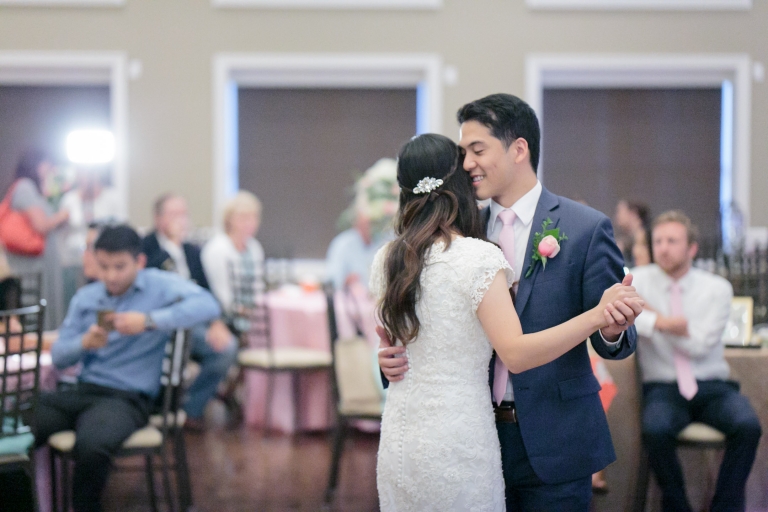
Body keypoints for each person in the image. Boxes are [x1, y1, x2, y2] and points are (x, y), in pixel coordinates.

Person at [378, 94, 641, 511]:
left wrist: (610, 327)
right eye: (463, 153)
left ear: (519, 149)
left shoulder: (585, 228)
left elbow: (619, 340)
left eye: (477, 150)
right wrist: (389, 360)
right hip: (473, 439)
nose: (466, 165)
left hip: (555, 440)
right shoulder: (459, 234)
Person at [32, 224, 221, 512]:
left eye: (119, 267)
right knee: (17, 426)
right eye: (104, 266)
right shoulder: (87, 297)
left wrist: (149, 320)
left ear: (139, 262)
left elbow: (208, 304)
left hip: (128, 397)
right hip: (82, 390)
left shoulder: (158, 285)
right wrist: (84, 342)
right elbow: (58, 358)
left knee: (92, 445)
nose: (110, 276)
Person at [632, 210, 761, 512]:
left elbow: (702, 345)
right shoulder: (637, 280)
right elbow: (625, 320)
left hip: (713, 386)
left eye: (672, 241)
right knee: (655, 429)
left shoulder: (716, 288)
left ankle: (725, 507)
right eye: (658, 241)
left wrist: (650, 317)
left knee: (748, 426)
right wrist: (666, 322)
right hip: (662, 387)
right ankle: (677, 506)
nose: (662, 247)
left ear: (692, 248)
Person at [142, 193, 238, 429]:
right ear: (158, 218)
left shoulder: (192, 251)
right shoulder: (147, 248)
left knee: (227, 347)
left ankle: (189, 409)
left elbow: (207, 292)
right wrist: (172, 247)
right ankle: (171, 407)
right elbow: (155, 289)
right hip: (165, 324)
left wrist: (216, 323)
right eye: (174, 214)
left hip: (196, 322)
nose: (181, 220)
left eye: (183, 214)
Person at [4, 150, 70, 329]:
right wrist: (61, 216)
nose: (50, 170)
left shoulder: (35, 190)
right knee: (34, 306)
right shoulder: (25, 186)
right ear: (36, 164)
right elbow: (40, 225)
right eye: (46, 164)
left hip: (40, 262)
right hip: (31, 264)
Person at [326, 158, 398, 291]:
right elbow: (332, 283)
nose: (370, 223)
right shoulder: (342, 244)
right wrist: (346, 282)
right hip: (350, 309)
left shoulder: (389, 243)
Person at [201, 191, 265, 335]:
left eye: (254, 218)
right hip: (224, 317)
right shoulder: (217, 248)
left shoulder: (254, 248)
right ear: (229, 219)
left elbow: (257, 287)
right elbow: (221, 295)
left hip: (253, 316)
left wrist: (256, 310)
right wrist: (245, 311)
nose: (250, 223)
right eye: (243, 218)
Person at [614, 199, 651, 267]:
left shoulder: (647, 235)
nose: (617, 216)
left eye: (620, 212)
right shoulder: (626, 242)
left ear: (633, 213)